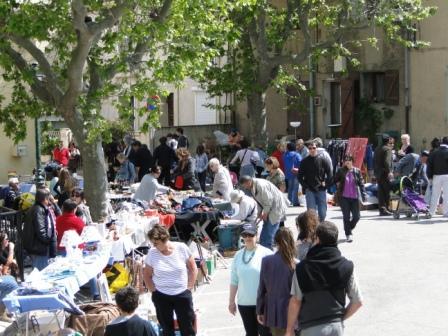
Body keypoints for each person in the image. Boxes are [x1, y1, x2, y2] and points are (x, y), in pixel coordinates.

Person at [285, 221, 363, 336]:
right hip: (336, 328)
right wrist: (339, 318)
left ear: (317, 239)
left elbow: (296, 301)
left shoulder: (302, 268)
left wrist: (289, 330)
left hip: (310, 328)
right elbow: (358, 302)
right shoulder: (347, 266)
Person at [143, 225, 198, 336]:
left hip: (182, 293)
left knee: (187, 326)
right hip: (161, 295)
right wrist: (153, 290)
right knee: (166, 328)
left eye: (156, 243)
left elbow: (193, 269)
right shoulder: (152, 253)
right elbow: (146, 274)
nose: (154, 246)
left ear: (164, 239)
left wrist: (189, 288)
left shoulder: (182, 248)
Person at [229, 224, 273, 336]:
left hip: (263, 304)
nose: (248, 237)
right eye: (245, 235)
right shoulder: (238, 255)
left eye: (251, 234)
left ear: (256, 235)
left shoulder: (267, 253)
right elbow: (234, 280)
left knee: (266, 333)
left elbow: (274, 279)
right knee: (250, 333)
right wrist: (231, 301)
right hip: (244, 304)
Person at [256, 228, 297, 336]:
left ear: (276, 242)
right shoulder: (296, 264)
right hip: (295, 314)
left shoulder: (266, 261)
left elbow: (261, 289)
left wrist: (260, 310)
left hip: (274, 314)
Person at [239, 176, 288, 250]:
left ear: (248, 182)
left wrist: (264, 213)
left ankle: (268, 254)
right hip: (269, 208)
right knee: (263, 237)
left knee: (269, 234)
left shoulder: (261, 185)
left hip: (275, 207)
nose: (245, 188)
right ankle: (265, 251)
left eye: (244, 186)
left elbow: (268, 201)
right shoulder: (252, 186)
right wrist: (259, 213)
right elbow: (259, 202)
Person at [23, 188, 61, 270]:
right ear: (45, 199)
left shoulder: (37, 208)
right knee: (41, 273)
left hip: (38, 247)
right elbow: (41, 230)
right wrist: (48, 240)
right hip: (39, 248)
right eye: (48, 199)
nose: (49, 201)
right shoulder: (38, 210)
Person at [334, 156, 367, 243]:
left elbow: (361, 183)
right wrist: (334, 184)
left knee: (357, 216)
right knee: (346, 216)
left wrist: (364, 194)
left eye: (349, 161)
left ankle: (348, 228)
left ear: (352, 161)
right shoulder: (341, 171)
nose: (347, 162)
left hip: (355, 197)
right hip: (344, 197)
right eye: (346, 161)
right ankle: (348, 234)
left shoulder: (357, 171)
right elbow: (334, 179)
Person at [298, 141, 333, 222]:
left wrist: (326, 184)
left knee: (323, 212)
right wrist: (305, 186)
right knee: (311, 213)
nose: (312, 150)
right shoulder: (304, 161)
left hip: (321, 189)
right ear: (308, 149)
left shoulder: (323, 159)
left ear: (317, 148)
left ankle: (321, 226)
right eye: (310, 148)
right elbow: (299, 176)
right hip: (309, 189)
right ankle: (314, 229)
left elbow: (330, 173)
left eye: (314, 148)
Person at [427, 136, 448, 216]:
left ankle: (432, 212)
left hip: (436, 176)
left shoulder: (434, 152)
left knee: (435, 194)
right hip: (447, 175)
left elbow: (429, 165)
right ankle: (446, 212)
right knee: (446, 195)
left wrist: (430, 177)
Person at [373, 134, 393, 216]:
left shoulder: (377, 148)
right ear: (388, 140)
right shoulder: (387, 149)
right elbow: (387, 162)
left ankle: (382, 209)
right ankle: (387, 208)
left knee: (380, 192)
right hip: (384, 173)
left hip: (378, 173)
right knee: (387, 192)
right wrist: (389, 172)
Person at [283, 142, 302, 207]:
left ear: (288, 148)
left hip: (288, 174)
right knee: (295, 188)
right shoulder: (297, 154)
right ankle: (295, 202)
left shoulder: (285, 155)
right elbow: (301, 162)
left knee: (290, 188)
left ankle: (289, 201)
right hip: (296, 173)